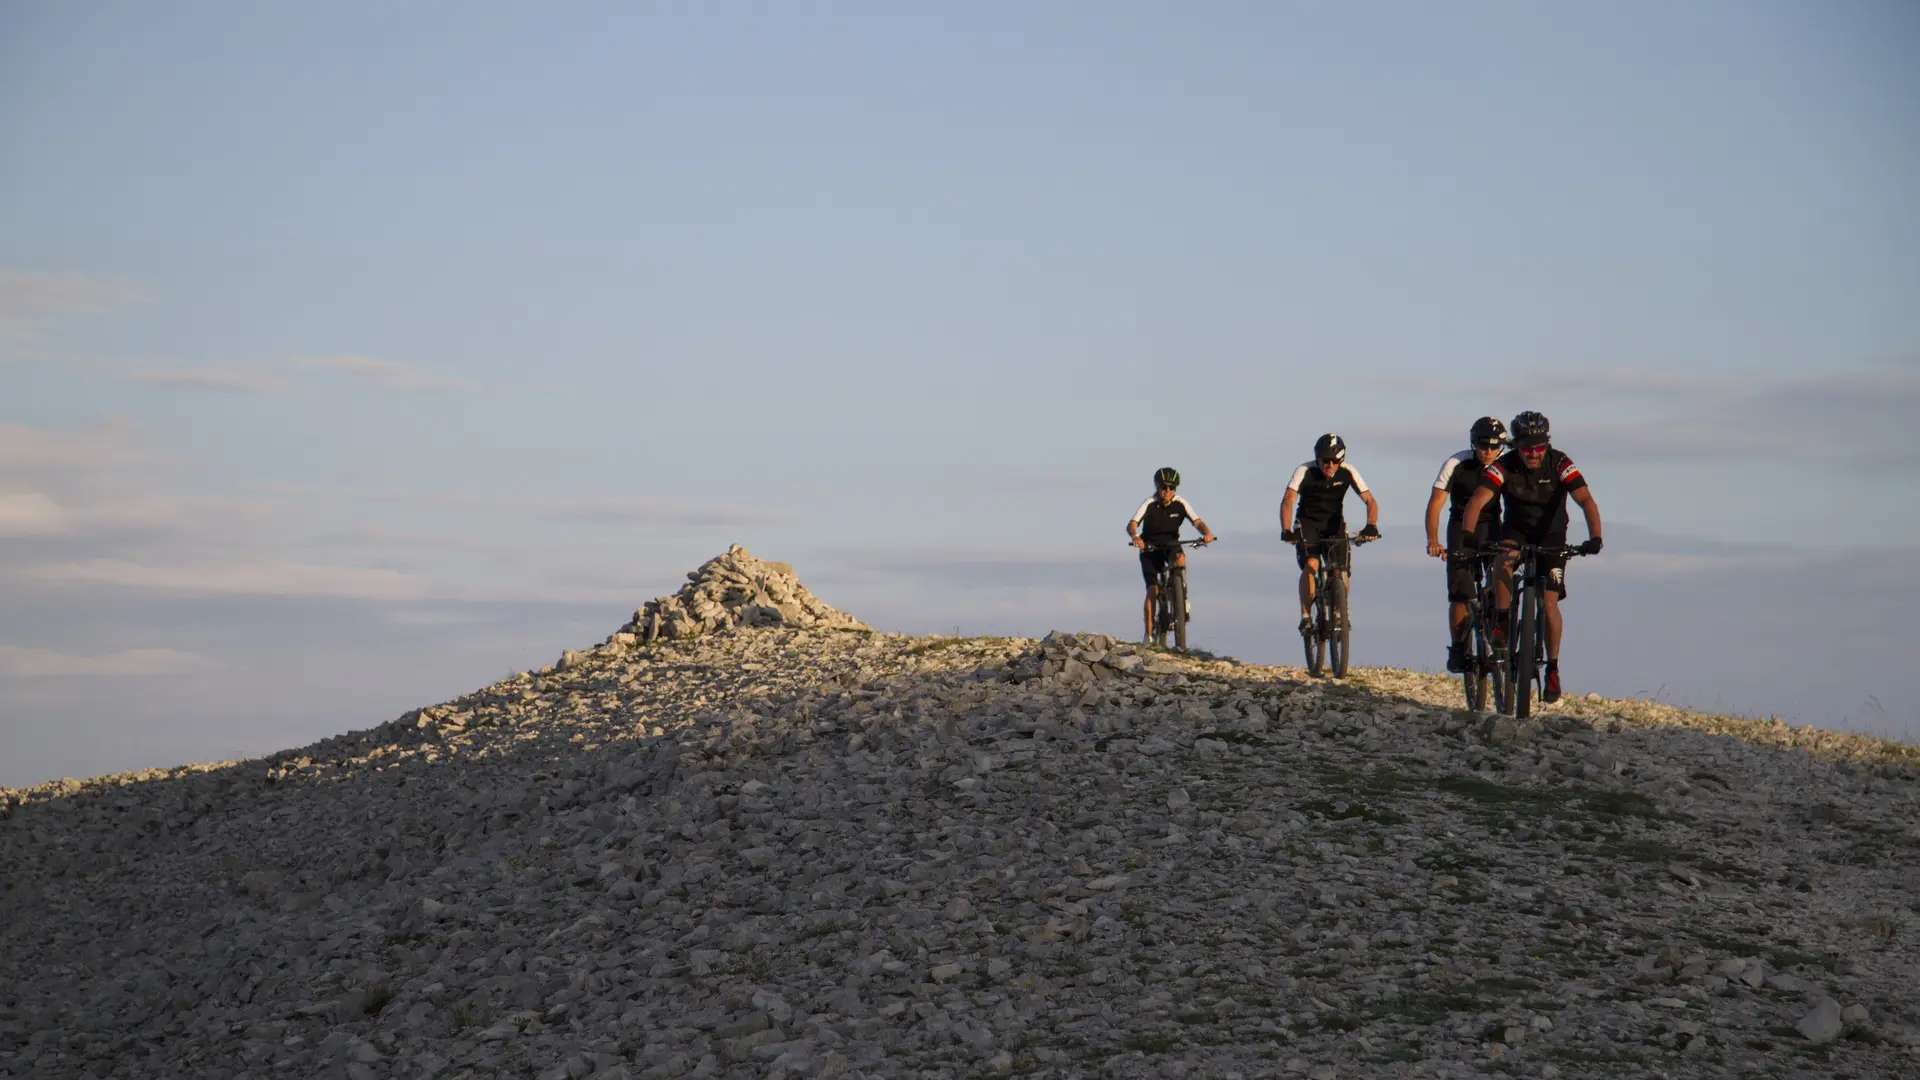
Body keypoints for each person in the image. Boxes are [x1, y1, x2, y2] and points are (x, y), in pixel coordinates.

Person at [1459, 411, 1603, 703]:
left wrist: (1595, 537)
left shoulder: (1560, 462)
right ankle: (1501, 622)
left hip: (1552, 536)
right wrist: (1468, 536)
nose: (1534, 454)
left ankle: (1552, 668)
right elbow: (1477, 501)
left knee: (1549, 603)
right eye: (1526, 448)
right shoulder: (1504, 465)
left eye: (1539, 447)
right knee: (1503, 560)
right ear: (1516, 447)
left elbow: (1585, 499)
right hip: (1516, 532)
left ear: (1546, 445)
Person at [1425, 417, 1508, 673]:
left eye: (1495, 447)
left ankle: (1498, 635)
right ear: (1473, 444)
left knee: (1499, 582)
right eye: (1483, 446)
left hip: (1492, 525)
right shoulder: (1456, 463)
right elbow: (1436, 503)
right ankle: (1459, 647)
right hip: (1460, 527)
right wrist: (1433, 540)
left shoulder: (1507, 466)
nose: (1489, 452)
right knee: (1460, 592)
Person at [1279, 434, 1381, 634]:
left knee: (1340, 571)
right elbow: (1288, 499)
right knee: (1311, 565)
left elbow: (1370, 500)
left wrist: (1371, 525)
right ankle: (1306, 617)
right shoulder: (1304, 471)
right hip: (1307, 524)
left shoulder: (1348, 472)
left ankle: (1339, 613)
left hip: (1334, 526)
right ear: (1318, 459)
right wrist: (1286, 530)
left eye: (1335, 461)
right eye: (1326, 461)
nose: (1330, 465)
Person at [1126, 467, 1216, 641]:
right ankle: (1149, 635)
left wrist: (1207, 533)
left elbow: (1197, 522)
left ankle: (1183, 599)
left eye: (1171, 488)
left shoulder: (1181, 503)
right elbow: (1132, 523)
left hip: (1171, 545)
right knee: (1152, 590)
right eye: (1164, 488)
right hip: (1150, 548)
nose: (1167, 491)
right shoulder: (1149, 503)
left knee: (1180, 558)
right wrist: (1136, 536)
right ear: (1157, 487)